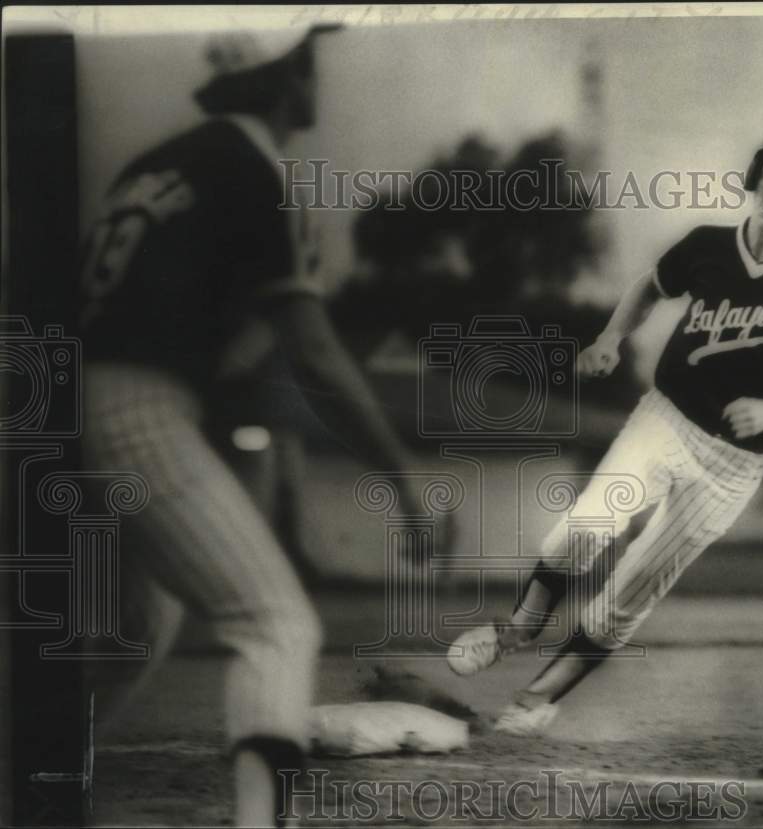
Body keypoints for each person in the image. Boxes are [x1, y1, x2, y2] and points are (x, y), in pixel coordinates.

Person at [78, 25, 429, 826]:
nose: (317, 76)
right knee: (276, 623)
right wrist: (400, 474)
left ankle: (37, 787)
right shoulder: (255, 172)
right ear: (285, 75)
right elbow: (316, 354)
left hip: (61, 407)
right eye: (310, 59)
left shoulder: (155, 165)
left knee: (138, 626)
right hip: (136, 408)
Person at [447, 122, 763, 735]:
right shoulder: (709, 245)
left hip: (733, 467)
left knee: (631, 591)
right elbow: (650, 286)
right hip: (666, 418)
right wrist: (613, 336)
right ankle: (516, 629)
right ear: (755, 179)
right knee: (588, 524)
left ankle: (535, 701)